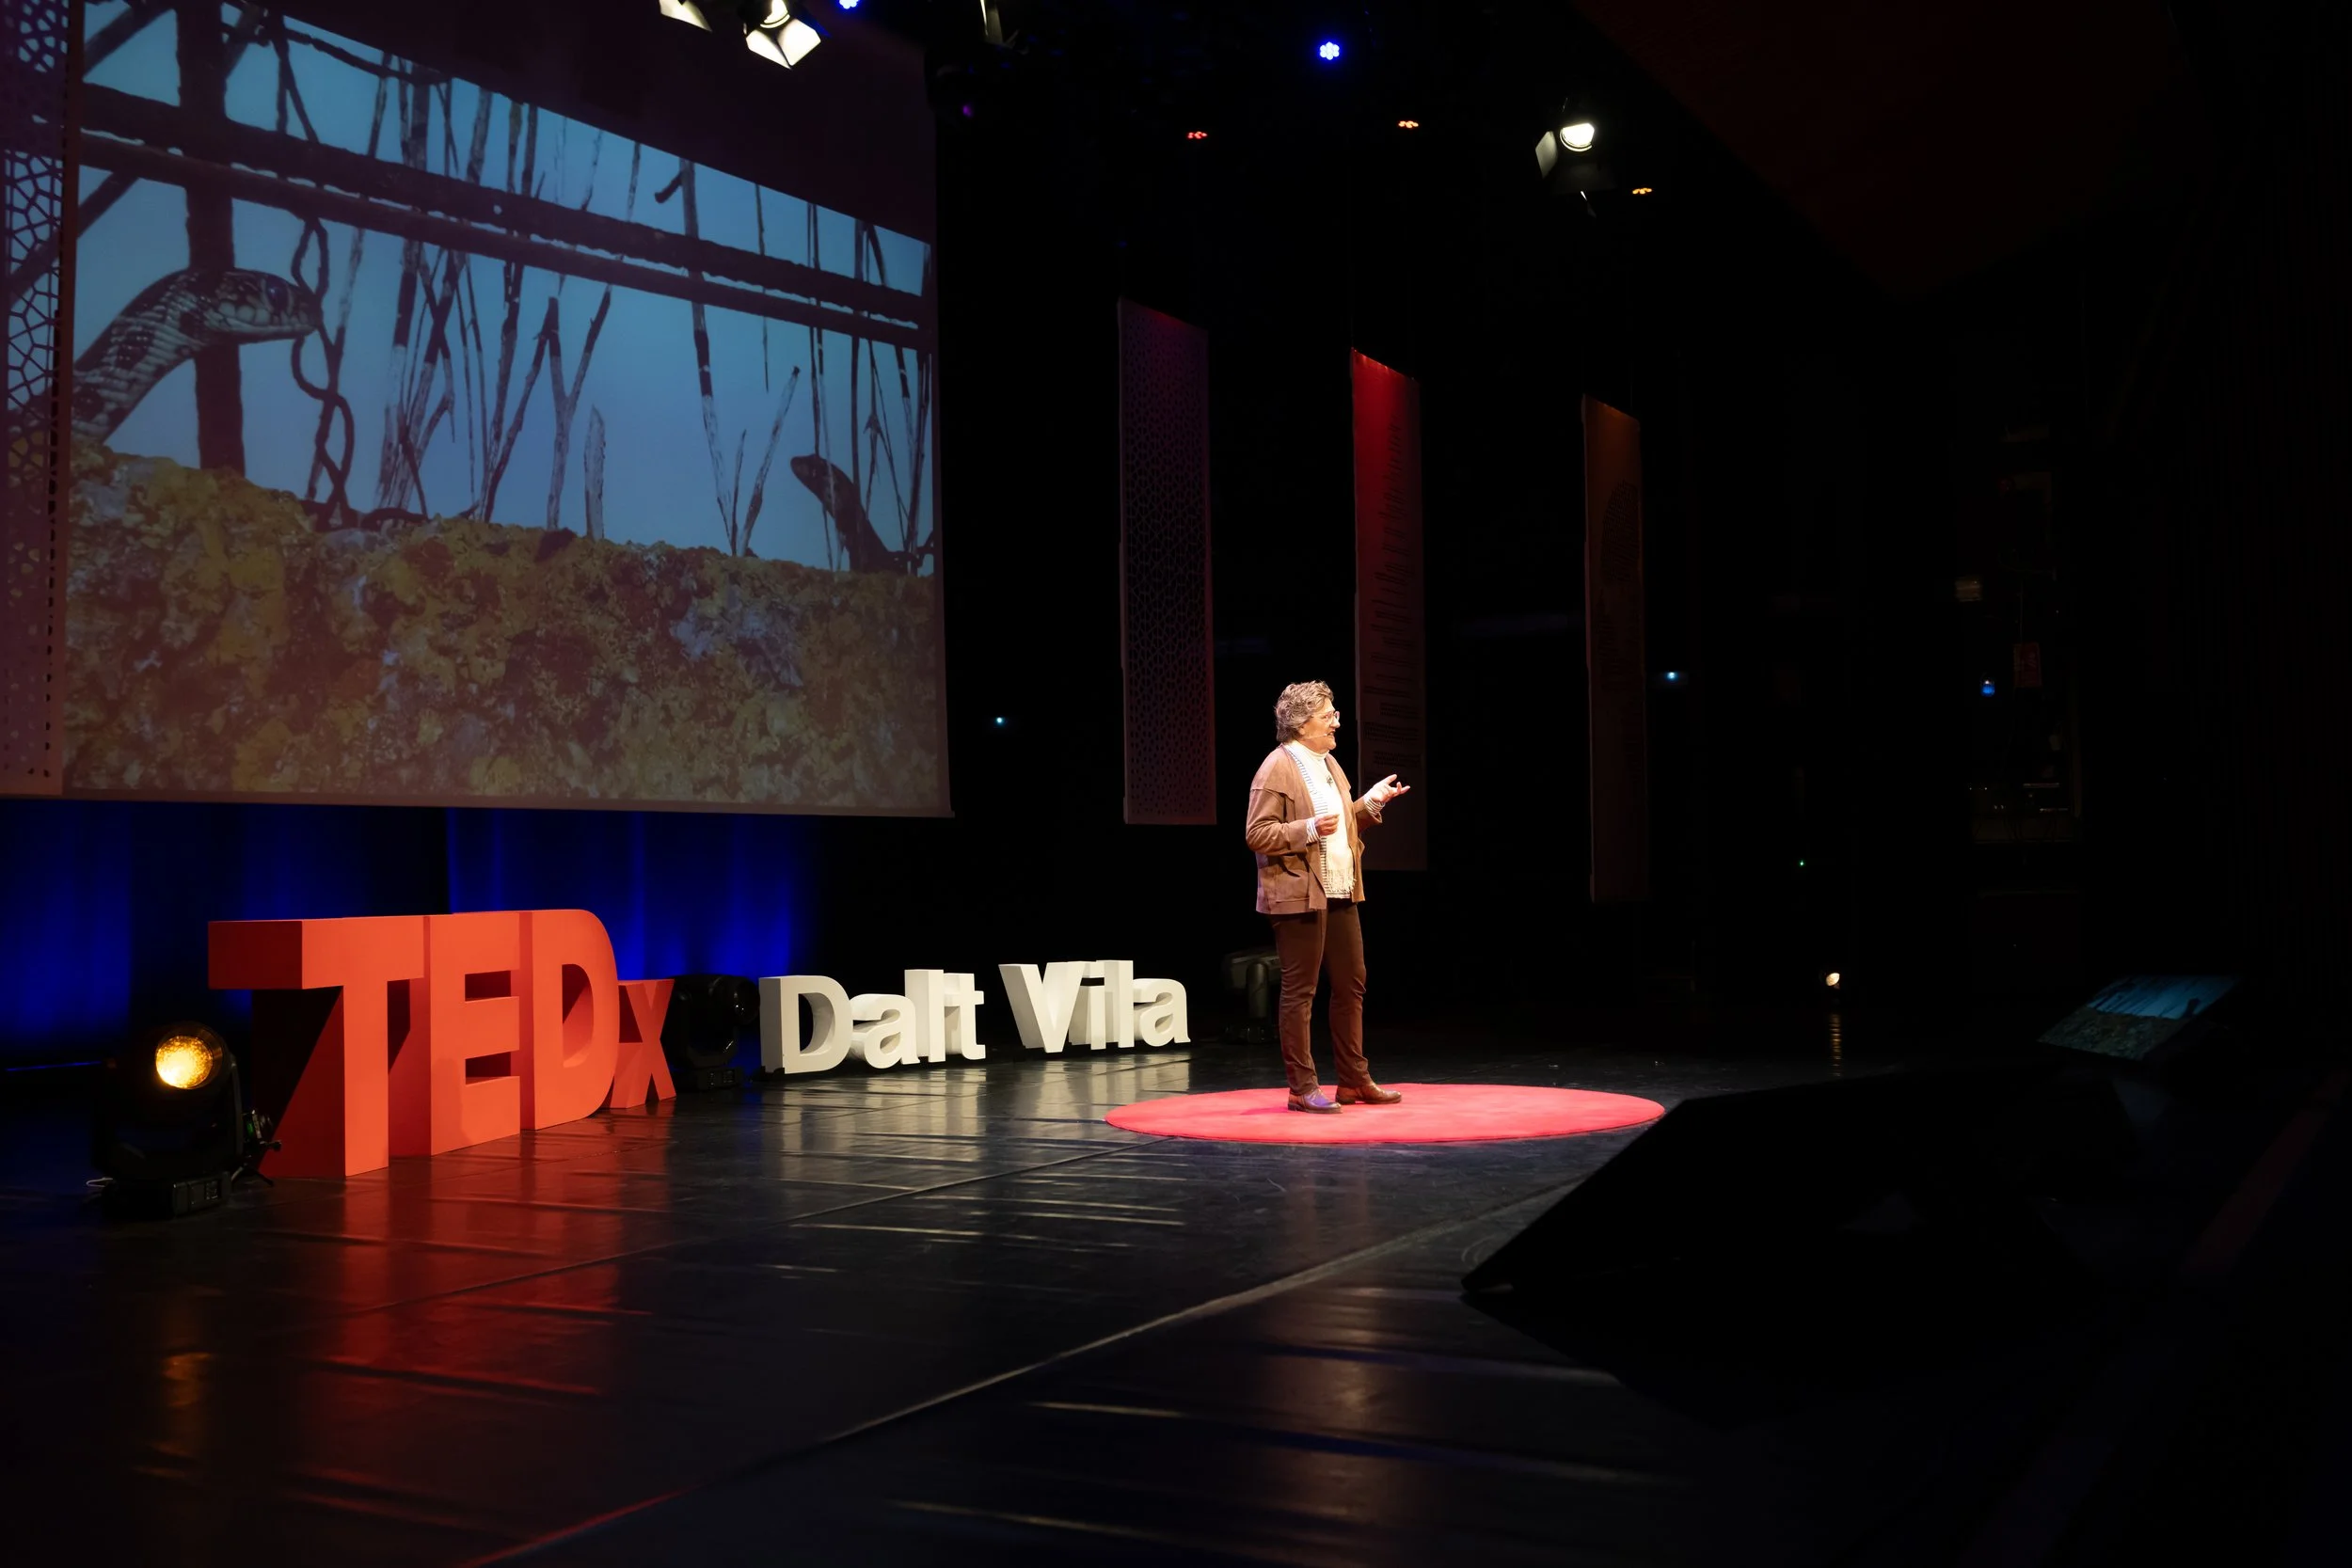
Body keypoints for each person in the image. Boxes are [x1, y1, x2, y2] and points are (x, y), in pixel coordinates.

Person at [1244, 681, 1412, 1113]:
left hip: (1339, 888)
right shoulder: (1277, 767)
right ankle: (1302, 1088)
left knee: (1352, 984)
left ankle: (1354, 1081)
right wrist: (1309, 829)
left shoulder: (1329, 764)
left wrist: (1369, 803)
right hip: (1299, 895)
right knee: (1301, 992)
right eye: (1328, 714)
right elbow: (1258, 833)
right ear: (1302, 724)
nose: (1337, 719)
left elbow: (1338, 823)